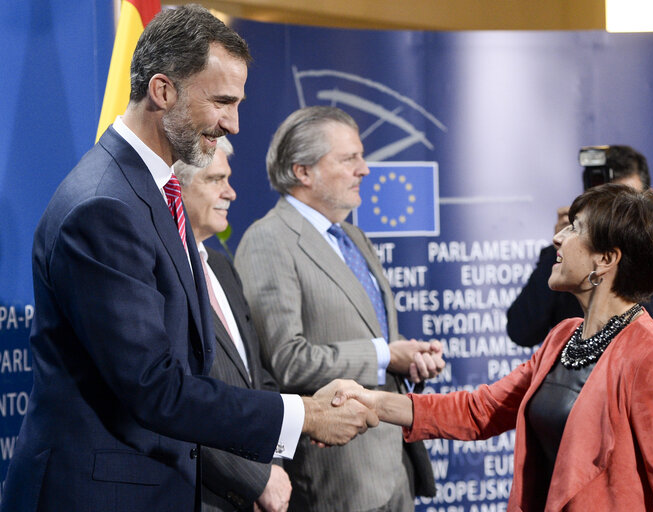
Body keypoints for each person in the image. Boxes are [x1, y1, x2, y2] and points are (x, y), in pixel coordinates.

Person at [1, 7, 375, 512]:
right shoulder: (104, 205)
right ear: (162, 91)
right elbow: (156, 388)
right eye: (222, 101)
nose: (235, 124)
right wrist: (303, 414)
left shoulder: (152, 191)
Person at [336, 184, 653, 510]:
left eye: (575, 229)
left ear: (606, 260)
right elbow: (479, 411)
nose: (558, 239)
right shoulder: (564, 335)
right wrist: (375, 401)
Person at [234, 106, 444, 512]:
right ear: (303, 171)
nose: (364, 169)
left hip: (393, 465)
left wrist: (406, 356)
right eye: (350, 158)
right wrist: (385, 354)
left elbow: (366, 331)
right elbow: (286, 360)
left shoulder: (353, 236)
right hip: (336, 479)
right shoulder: (269, 241)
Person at [506, 144, 653, 493]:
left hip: (652, 457)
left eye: (630, 204)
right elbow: (520, 328)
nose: (624, 217)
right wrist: (559, 253)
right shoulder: (568, 265)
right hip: (575, 466)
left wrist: (636, 277)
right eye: (611, 206)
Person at [177, 137, 292, 512]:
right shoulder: (161, 275)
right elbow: (176, 398)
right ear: (175, 187)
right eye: (216, 180)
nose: (231, 192)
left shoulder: (223, 268)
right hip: (199, 495)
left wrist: (270, 466)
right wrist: (254, 479)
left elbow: (259, 379)